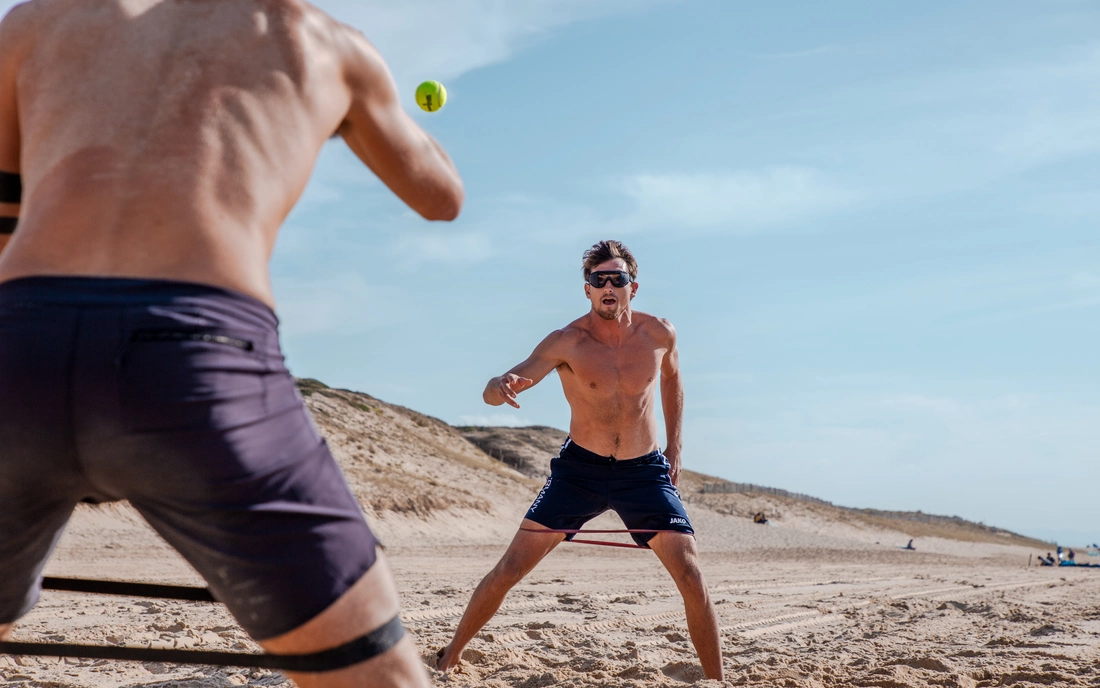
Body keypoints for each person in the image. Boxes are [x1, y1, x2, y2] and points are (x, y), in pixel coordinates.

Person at [0, 2, 463, 687]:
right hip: (195, 358)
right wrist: (356, 114)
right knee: (380, 678)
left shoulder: (38, 21)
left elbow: (6, 212)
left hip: (19, 343)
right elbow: (440, 196)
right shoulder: (322, 41)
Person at [436, 240, 723, 681]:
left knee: (689, 570)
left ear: (634, 286)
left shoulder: (659, 334)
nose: (608, 286)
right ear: (587, 290)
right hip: (579, 471)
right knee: (511, 567)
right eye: (598, 279)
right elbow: (497, 390)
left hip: (643, 471)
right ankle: (451, 654)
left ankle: (716, 680)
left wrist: (676, 447)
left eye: (617, 278)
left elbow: (673, 381)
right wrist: (499, 385)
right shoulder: (566, 342)